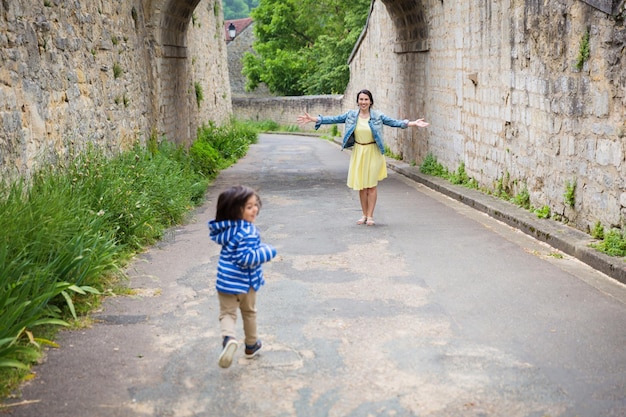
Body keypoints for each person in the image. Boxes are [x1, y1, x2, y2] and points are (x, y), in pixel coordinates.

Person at [297, 89, 429, 226]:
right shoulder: (351, 115)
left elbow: (394, 122)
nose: (363, 102)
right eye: (361, 99)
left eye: (366, 99)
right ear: (357, 101)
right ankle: (364, 214)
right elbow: (334, 119)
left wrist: (413, 123)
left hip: (373, 152)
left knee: (371, 186)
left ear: (370, 101)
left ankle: (371, 215)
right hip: (359, 152)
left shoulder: (377, 116)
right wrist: (314, 119)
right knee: (362, 186)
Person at [208, 185, 277, 368]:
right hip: (247, 283)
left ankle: (229, 338)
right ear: (235, 211)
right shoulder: (247, 231)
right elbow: (246, 258)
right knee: (249, 313)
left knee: (227, 314)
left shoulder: (227, 230)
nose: (255, 209)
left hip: (226, 282)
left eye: (255, 205)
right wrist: (268, 251)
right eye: (249, 207)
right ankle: (251, 345)